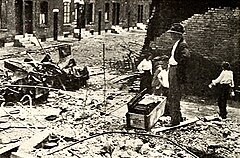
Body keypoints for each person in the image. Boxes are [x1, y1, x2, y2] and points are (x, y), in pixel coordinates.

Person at [166, 23, 190, 126]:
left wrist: (178, 68)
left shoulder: (182, 44)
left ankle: (174, 120)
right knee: (173, 94)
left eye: (172, 33)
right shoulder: (177, 43)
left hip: (176, 71)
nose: (171, 36)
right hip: (172, 69)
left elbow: (186, 57)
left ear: (177, 34)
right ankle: (178, 117)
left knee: (174, 96)